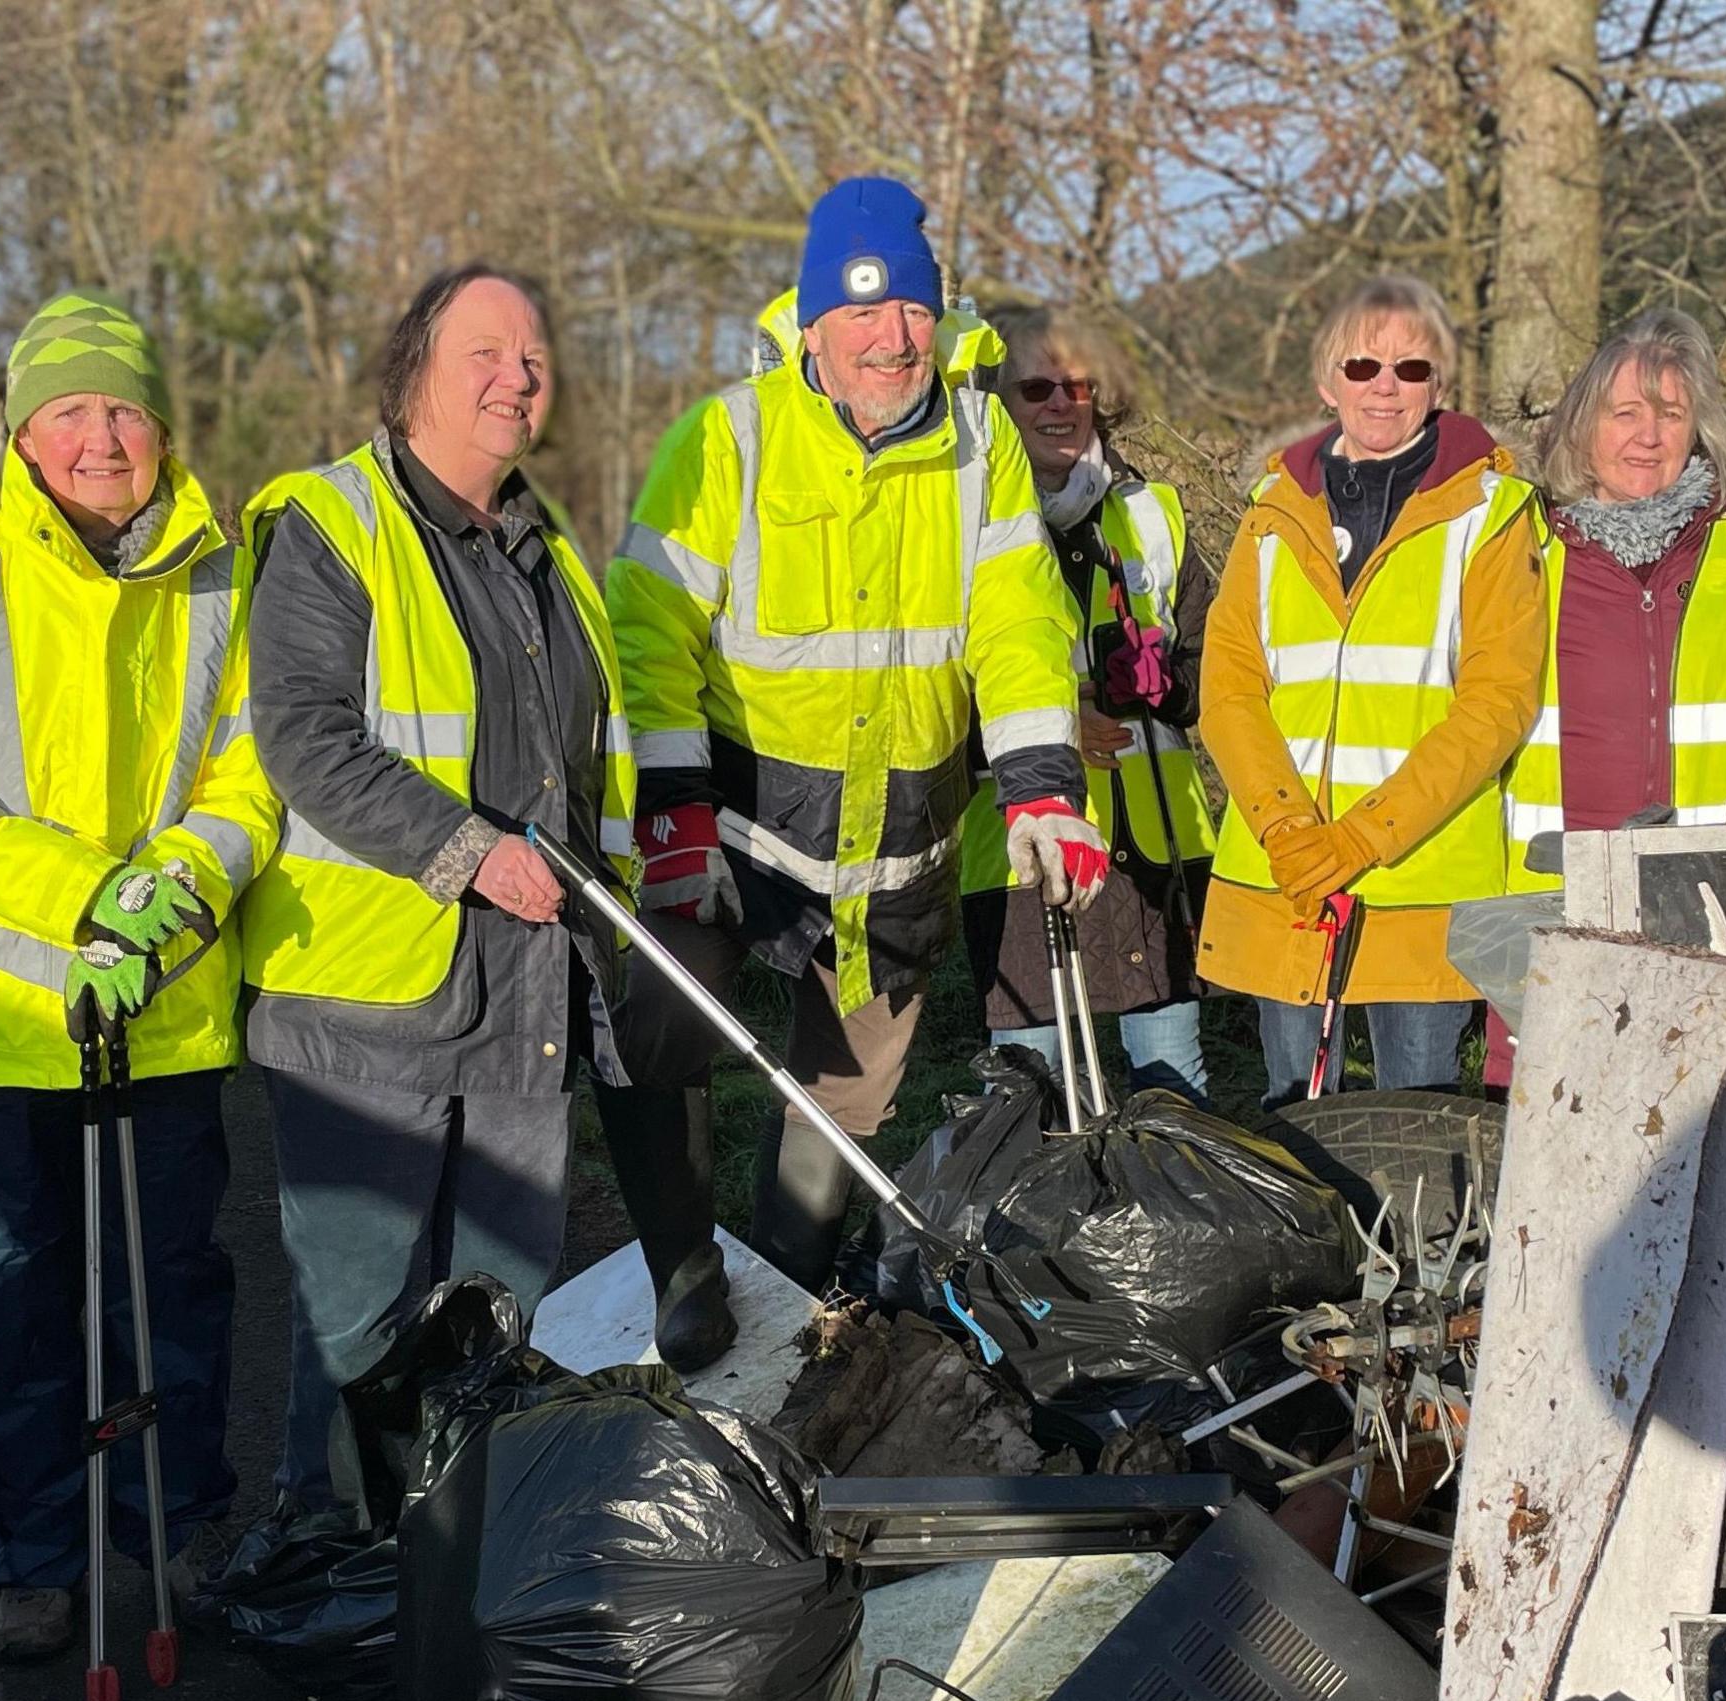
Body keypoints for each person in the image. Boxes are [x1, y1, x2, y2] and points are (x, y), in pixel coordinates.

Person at [0, 292, 272, 1663]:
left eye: (126, 409)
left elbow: (254, 775)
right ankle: (38, 1547)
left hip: (162, 1015)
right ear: (24, 436)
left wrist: (177, 896)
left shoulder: (222, 570)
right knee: (11, 1303)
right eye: (72, 411)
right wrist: (81, 892)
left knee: (173, 1291)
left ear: (162, 427)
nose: (103, 438)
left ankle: (176, 1520)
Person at [604, 175, 1096, 1358]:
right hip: (734, 828)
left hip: (895, 850)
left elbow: (1018, 625)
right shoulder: (729, 436)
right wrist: (670, 807)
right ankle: (682, 1269)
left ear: (940, 317)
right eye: (864, 314)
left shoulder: (981, 447)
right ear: (813, 322)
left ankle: (776, 1301)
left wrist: (1041, 783)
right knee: (650, 1030)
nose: (892, 339)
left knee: (846, 1099)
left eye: (914, 313)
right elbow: (646, 624)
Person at [233, 265, 636, 1513]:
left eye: (533, 356)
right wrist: (471, 852)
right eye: (486, 351)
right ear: (413, 372)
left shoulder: (548, 549)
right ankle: (344, 1577)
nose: (518, 374)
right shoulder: (329, 523)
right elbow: (302, 734)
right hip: (366, 1007)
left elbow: (585, 763)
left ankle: (471, 1565)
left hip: (527, 993)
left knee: (503, 1313)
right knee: (362, 1321)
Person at [1195, 276, 1545, 1104]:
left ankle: (1417, 1245)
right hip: (1285, 876)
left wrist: (1361, 839)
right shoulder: (1271, 515)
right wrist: (1287, 828)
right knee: (1291, 1119)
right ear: (1327, 381)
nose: (1385, 386)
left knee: (1414, 1126)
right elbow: (1230, 685)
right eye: (1362, 366)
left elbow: (1499, 702)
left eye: (1411, 367)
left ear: (1441, 384)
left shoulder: (1493, 514)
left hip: (1419, 878)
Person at [1487, 309, 1726, 1084]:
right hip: (1556, 897)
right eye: (1624, 412)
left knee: (1715, 1117)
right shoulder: (1519, 550)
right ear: (1580, 427)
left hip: (1722, 896)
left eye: (1671, 414)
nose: (1648, 435)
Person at [953, 303, 1217, 1099]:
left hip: (1154, 853)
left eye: (1077, 385)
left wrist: (1166, 686)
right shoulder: (956, 523)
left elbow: (1216, 669)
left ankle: (1180, 1228)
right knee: (1030, 1098)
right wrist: (1060, 720)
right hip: (1021, 854)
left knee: (1176, 1086)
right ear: (994, 404)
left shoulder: (1154, 514)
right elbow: (924, 694)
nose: (1060, 405)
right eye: (1035, 388)